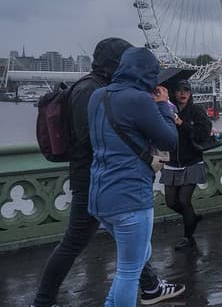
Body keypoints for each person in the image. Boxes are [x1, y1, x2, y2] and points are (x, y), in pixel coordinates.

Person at [32, 39, 185, 307]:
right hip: (108, 182)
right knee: (98, 252)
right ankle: (42, 301)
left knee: (132, 253)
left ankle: (150, 286)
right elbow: (162, 139)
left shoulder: (97, 93)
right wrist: (158, 110)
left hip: (100, 184)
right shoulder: (104, 92)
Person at [87, 47, 181, 307]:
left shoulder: (97, 96)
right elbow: (169, 140)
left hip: (99, 195)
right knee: (129, 270)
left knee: (138, 256)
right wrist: (163, 105)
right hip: (129, 194)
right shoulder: (139, 100)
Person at [161, 80, 212, 250]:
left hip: (192, 160)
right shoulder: (166, 110)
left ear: (190, 94)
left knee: (184, 200)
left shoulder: (197, 111)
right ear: (173, 93)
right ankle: (192, 218)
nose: (183, 94)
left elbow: (202, 133)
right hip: (172, 160)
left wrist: (182, 125)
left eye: (186, 90)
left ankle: (188, 237)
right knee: (170, 201)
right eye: (179, 90)